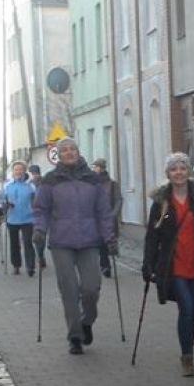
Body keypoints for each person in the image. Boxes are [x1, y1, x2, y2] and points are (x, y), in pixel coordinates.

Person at [142, 152, 194, 377]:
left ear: (188, 170)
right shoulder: (161, 202)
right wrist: (148, 264)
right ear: (168, 174)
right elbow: (152, 236)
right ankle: (187, 356)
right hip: (174, 265)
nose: (178, 173)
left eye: (182, 168)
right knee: (187, 309)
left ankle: (188, 336)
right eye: (174, 169)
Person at [32, 138, 116, 355]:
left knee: (91, 288)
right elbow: (41, 209)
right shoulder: (50, 181)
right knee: (69, 291)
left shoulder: (93, 179)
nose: (69, 153)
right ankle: (75, 336)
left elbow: (103, 212)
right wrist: (40, 229)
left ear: (78, 152)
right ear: (58, 155)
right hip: (61, 242)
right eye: (64, 150)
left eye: (72, 149)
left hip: (89, 241)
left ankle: (87, 320)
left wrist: (110, 237)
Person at [0, 160, 37, 276]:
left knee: (28, 243)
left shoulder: (30, 185)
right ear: (12, 171)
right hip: (12, 218)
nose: (18, 172)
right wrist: (3, 205)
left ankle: (30, 267)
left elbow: (36, 200)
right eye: (16, 169)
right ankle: (16, 265)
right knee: (14, 244)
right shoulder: (6, 186)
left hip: (28, 218)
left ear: (24, 171)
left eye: (21, 169)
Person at [91, 158, 122, 277]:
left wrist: (114, 214)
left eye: (95, 167)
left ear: (101, 168)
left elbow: (118, 199)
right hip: (96, 219)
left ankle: (106, 263)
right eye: (93, 167)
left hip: (108, 218)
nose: (93, 169)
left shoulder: (113, 184)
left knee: (108, 241)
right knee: (100, 243)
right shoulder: (92, 184)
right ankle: (105, 265)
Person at [27, 164, 46, 269]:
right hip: (32, 213)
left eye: (35, 173)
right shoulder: (29, 184)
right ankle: (39, 255)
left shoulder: (45, 183)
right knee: (36, 235)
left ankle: (40, 254)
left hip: (44, 212)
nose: (34, 175)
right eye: (32, 174)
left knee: (42, 236)